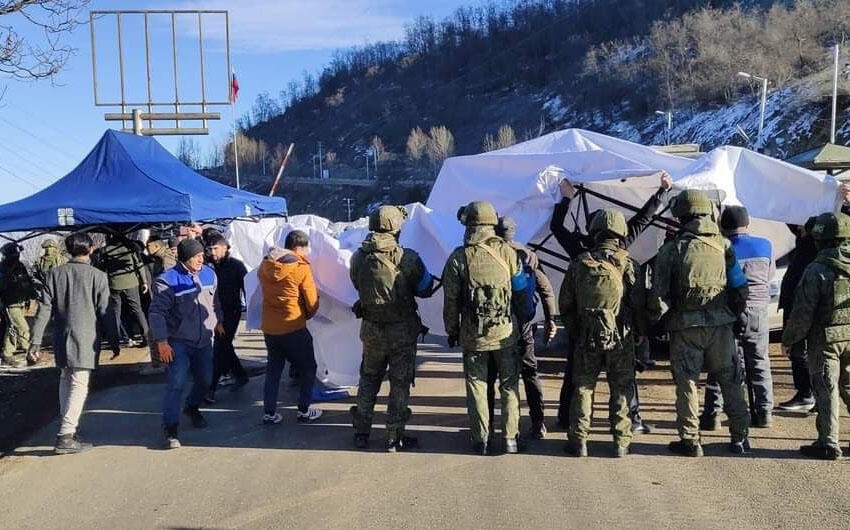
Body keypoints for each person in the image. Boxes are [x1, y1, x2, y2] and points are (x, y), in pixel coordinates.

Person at [550, 173, 672, 433]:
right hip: (620, 329)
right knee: (624, 378)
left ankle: (566, 418)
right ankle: (634, 421)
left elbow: (556, 228)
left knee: (578, 377)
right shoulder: (622, 252)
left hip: (586, 328)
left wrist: (566, 199)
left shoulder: (579, 251)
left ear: (592, 229)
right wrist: (661, 193)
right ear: (617, 230)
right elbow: (642, 220)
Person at [649, 189, 751, 457]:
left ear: (682, 215)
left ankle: (691, 441)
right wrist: (734, 314)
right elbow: (740, 287)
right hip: (721, 326)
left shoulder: (672, 250)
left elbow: (659, 297)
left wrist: (651, 325)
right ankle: (740, 438)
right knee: (731, 382)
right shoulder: (724, 246)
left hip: (685, 328)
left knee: (687, 384)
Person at [442, 201, 532, 455]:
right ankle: (511, 439)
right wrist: (524, 322)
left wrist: (452, 331)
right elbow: (522, 293)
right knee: (510, 384)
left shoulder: (459, 257)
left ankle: (480, 440)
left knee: (477, 385)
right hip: (505, 333)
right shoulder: (507, 253)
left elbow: (451, 302)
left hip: (473, 336)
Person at [350, 205, 436, 452]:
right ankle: (393, 436)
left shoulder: (359, 257)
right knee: (399, 384)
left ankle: (361, 432)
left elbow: (357, 284)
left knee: (368, 379)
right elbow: (425, 289)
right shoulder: (407, 258)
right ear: (397, 227)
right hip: (402, 333)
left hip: (371, 330)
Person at [560, 210, 643, 457]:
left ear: (594, 232)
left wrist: (577, 331)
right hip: (621, 338)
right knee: (621, 387)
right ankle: (620, 442)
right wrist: (639, 333)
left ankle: (579, 440)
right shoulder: (629, 265)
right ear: (620, 233)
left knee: (584, 388)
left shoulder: (579, 264)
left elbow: (565, 305)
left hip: (587, 337)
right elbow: (639, 304)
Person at [28, 233, 119, 454]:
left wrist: (35, 343)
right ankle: (66, 435)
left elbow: (43, 311)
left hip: (61, 336)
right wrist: (114, 340)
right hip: (86, 337)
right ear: (89, 249)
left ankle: (68, 428)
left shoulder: (54, 274)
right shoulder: (98, 276)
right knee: (79, 383)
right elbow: (106, 312)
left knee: (66, 378)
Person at [782, 212, 850, 460]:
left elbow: (802, 313)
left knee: (826, 389)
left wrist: (790, 340)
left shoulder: (817, 270)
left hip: (825, 340)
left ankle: (828, 442)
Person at [701, 206, 775, 430]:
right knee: (760, 361)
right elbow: (770, 275)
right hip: (759, 311)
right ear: (747, 223)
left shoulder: (719, 248)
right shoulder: (765, 245)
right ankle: (764, 413)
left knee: (720, 364)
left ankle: (712, 415)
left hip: (728, 312)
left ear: (723, 226)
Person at [487, 216, 557, 440]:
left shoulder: (486, 254)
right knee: (529, 372)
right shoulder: (528, 255)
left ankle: (486, 426)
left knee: (490, 377)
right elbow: (545, 289)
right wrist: (550, 319)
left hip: (494, 325)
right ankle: (538, 423)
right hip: (524, 324)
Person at [149, 239, 223, 449]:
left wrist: (219, 321)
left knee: (206, 380)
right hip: (178, 341)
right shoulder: (166, 281)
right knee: (177, 383)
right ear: (184, 258)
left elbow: (215, 301)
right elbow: (156, 313)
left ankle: (192, 407)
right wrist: (162, 341)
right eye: (196, 256)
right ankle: (170, 427)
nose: (201, 259)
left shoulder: (209, 273)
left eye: (202, 255)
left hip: (204, 339)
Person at [258, 230, 322, 425]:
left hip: (270, 328)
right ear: (298, 248)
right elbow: (311, 301)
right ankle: (304, 410)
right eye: (306, 248)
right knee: (309, 367)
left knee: (274, 370)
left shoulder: (265, 265)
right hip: (293, 325)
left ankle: (269, 413)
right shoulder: (300, 268)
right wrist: (308, 315)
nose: (307, 252)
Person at [777, 217, 818, 411]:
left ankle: (808, 393)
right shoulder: (803, 240)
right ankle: (809, 393)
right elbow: (789, 212)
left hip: (802, 303)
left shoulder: (815, 244)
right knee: (797, 351)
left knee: (799, 350)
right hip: (795, 302)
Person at [206, 234, 249, 402]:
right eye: (209, 249)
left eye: (215, 248)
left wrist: (252, 312)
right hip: (213, 312)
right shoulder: (208, 267)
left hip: (231, 312)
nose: (212, 252)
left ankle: (211, 387)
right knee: (225, 347)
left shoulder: (236, 266)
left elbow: (247, 288)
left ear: (225, 247)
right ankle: (240, 374)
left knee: (219, 348)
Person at [99, 233, 149, 347]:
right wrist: (144, 281)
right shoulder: (130, 247)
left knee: (116, 313)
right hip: (131, 282)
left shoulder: (105, 250)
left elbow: (102, 268)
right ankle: (146, 336)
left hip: (114, 284)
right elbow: (139, 265)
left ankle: (115, 341)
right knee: (137, 310)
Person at [0, 243, 37, 367]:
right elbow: (2, 285)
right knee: (22, 328)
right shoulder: (3, 267)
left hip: (20, 301)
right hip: (10, 302)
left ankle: (8, 353)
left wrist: (31, 293)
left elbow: (26, 281)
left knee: (14, 328)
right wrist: (9, 273)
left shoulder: (20, 266)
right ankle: (28, 351)